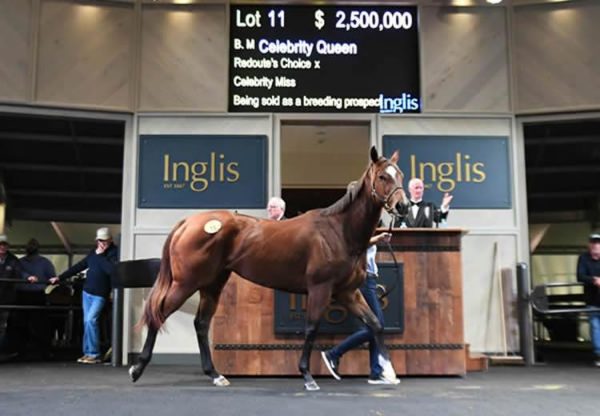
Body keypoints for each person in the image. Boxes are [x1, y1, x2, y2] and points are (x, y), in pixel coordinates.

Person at [321, 230, 400, 385]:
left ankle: (376, 372)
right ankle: (334, 354)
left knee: (376, 326)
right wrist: (377, 238)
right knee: (377, 325)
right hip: (363, 281)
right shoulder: (358, 231)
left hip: (369, 279)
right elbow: (356, 245)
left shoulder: (367, 231)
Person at [50, 227, 118, 364]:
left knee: (90, 321)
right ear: (97, 240)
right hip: (87, 292)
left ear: (110, 240)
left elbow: (111, 271)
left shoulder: (114, 253)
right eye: (100, 240)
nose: (102, 243)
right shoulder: (93, 253)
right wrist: (60, 277)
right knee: (87, 321)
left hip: (100, 293)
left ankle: (94, 353)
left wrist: (100, 256)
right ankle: (88, 352)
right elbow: (79, 266)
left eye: (105, 240)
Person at [17, 238, 57, 358]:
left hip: (37, 294)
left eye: (33, 246)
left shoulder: (44, 262)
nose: (31, 248)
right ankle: (20, 350)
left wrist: (45, 283)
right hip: (22, 295)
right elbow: (16, 273)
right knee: (20, 324)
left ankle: (43, 351)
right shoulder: (19, 262)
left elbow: (52, 277)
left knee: (40, 325)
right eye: (30, 246)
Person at [576, 232, 600, 367]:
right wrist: (594, 280)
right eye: (593, 243)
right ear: (589, 245)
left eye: (598, 243)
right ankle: (598, 354)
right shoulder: (583, 258)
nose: (596, 245)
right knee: (595, 326)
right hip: (592, 299)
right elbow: (580, 276)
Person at [0, 234, 25, 357]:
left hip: (5, 298)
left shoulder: (13, 260)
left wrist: (28, 277)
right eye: (0, 244)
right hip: (5, 296)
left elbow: (20, 273)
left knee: (2, 325)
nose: (2, 247)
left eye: (4, 244)